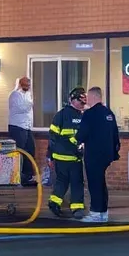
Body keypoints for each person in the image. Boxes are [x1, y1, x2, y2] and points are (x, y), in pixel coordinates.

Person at [75, 86, 120, 223]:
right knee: (101, 182)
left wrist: (76, 142)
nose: (86, 99)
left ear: (94, 97)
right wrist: (114, 152)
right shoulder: (109, 114)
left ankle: (96, 212)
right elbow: (115, 135)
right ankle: (103, 212)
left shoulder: (90, 114)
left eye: (88, 96)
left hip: (93, 154)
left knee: (94, 183)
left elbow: (82, 134)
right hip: (106, 154)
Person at [48, 86, 87, 218]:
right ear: (72, 100)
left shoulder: (80, 116)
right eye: (80, 102)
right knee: (72, 182)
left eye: (84, 103)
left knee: (67, 182)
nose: (82, 105)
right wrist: (50, 156)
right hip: (67, 157)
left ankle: (57, 203)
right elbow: (53, 137)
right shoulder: (63, 115)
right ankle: (74, 208)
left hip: (69, 157)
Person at [7, 76, 37, 187]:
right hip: (17, 127)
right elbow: (23, 108)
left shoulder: (27, 95)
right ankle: (18, 177)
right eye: (26, 85)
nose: (28, 87)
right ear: (20, 84)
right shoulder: (15, 95)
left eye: (29, 85)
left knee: (30, 150)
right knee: (20, 152)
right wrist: (32, 101)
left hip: (26, 127)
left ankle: (27, 177)